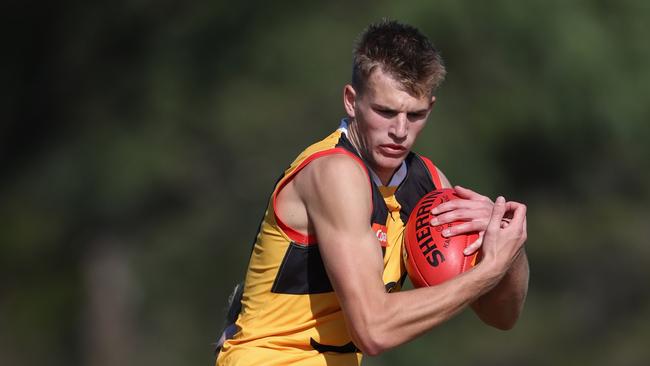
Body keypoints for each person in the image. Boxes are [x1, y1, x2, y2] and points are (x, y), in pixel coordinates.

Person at [215, 19, 529, 366]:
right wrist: (487, 272)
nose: (400, 131)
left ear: (431, 109)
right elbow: (374, 330)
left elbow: (502, 317)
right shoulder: (334, 172)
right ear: (351, 101)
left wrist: (508, 248)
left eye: (415, 115)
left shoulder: (428, 185)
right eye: (385, 111)